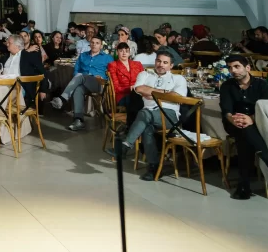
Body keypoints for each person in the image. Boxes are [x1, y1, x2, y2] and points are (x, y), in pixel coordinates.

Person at [110, 50, 187, 181]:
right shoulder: (144, 74)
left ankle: (125, 146)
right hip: (147, 114)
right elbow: (139, 89)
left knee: (144, 114)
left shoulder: (178, 78)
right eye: (158, 61)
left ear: (171, 66)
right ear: (155, 61)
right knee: (146, 126)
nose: (161, 64)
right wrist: (165, 93)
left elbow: (178, 97)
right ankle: (154, 168)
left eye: (165, 62)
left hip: (169, 116)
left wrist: (151, 91)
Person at [219, 55, 268, 199]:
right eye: (230, 67)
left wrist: (252, 119)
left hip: (259, 122)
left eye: (237, 66)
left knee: (245, 137)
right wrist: (233, 119)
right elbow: (226, 110)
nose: (233, 70)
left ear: (247, 68)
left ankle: (244, 185)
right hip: (233, 123)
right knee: (244, 130)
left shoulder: (263, 86)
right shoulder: (227, 86)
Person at [51, 34, 113, 131]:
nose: (94, 45)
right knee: (78, 89)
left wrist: (103, 78)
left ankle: (62, 98)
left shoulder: (107, 58)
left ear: (101, 46)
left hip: (98, 83)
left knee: (80, 76)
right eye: (92, 42)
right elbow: (76, 70)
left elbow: (112, 74)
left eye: (97, 43)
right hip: (83, 82)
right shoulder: (83, 56)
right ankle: (78, 120)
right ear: (89, 44)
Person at [0, 35, 46, 107]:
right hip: (3, 84)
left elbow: (43, 72)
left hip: (21, 87)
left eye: (9, 43)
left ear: (17, 45)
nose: (7, 44)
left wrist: (43, 90)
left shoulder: (28, 56)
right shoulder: (5, 57)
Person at [107, 43, 144, 107]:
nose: (124, 53)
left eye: (126, 51)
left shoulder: (138, 64)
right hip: (122, 95)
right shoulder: (113, 65)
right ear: (117, 52)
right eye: (121, 51)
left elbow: (144, 80)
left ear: (129, 53)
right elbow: (115, 87)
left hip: (139, 93)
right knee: (136, 100)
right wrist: (129, 88)